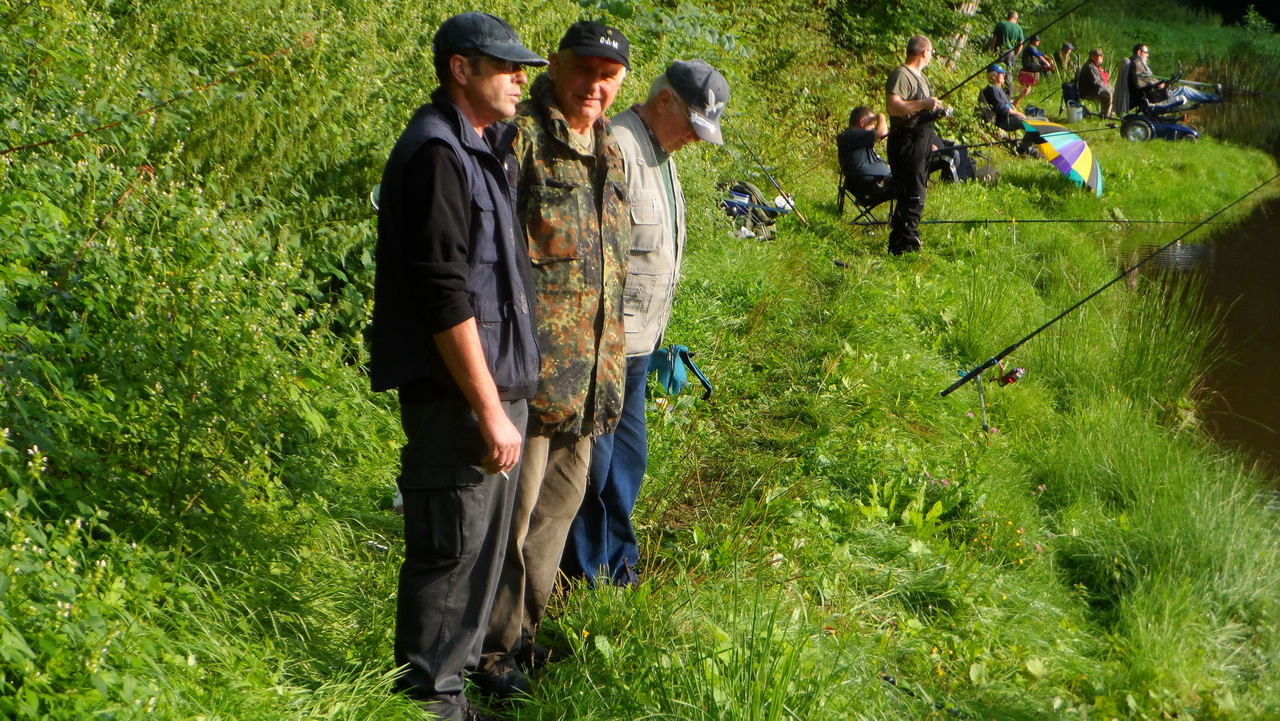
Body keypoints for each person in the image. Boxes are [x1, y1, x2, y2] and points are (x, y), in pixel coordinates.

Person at [370, 12, 545, 721]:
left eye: (522, 67)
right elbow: (444, 296)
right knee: (451, 551)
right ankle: (429, 704)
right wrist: (488, 407)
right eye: (505, 66)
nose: (520, 78)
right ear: (460, 69)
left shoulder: (481, 147)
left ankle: (452, 692)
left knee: (480, 552)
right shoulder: (437, 153)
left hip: (492, 390)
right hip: (458, 399)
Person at [478, 20, 631, 695]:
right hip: (530, 378)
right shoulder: (520, 140)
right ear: (556, 64)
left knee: (554, 519)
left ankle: (520, 638)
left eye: (609, 75)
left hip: (592, 380)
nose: (595, 85)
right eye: (584, 69)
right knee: (510, 526)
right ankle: (486, 655)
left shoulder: (610, 149)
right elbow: (488, 264)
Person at [561, 60, 730, 587]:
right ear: (664, 101)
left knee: (627, 460)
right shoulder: (617, 146)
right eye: (693, 126)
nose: (696, 139)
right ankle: (583, 576)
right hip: (606, 345)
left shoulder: (662, 153)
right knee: (594, 467)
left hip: (639, 344)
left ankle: (618, 565)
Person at [885, 34, 946, 256]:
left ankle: (904, 242)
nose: (931, 56)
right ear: (923, 52)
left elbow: (920, 110)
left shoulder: (922, 78)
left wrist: (936, 110)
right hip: (906, 142)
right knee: (912, 193)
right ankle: (904, 246)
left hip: (922, 140)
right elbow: (893, 107)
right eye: (931, 52)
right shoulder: (901, 75)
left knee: (916, 191)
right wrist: (923, 103)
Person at [1127, 43, 1221, 114]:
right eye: (1146, 52)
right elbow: (1138, 84)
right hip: (1154, 95)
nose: (1147, 55)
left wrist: (1159, 83)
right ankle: (1214, 98)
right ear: (1139, 52)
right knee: (1185, 90)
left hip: (1156, 92)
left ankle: (1212, 97)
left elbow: (1145, 79)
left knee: (1183, 89)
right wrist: (1156, 84)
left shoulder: (1138, 63)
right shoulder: (1136, 63)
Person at [837, 105, 892, 207]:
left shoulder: (861, 141)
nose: (873, 128)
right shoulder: (850, 135)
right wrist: (881, 116)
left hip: (879, 182)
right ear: (862, 122)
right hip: (869, 189)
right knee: (910, 183)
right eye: (871, 124)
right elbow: (882, 133)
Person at [979, 64, 1038, 155]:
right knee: (1032, 125)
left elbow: (1011, 106)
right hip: (1004, 121)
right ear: (993, 76)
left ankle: (1025, 147)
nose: (1004, 75)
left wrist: (1021, 96)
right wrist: (1019, 114)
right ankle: (1023, 149)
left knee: (1044, 120)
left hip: (1011, 117)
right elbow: (1002, 109)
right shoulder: (992, 89)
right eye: (1001, 73)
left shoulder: (999, 89)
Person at [1016, 35, 1054, 106]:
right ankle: (1049, 83)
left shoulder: (1033, 48)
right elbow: (1038, 56)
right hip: (1029, 65)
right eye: (1037, 41)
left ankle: (1047, 79)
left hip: (1033, 65)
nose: (1039, 42)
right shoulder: (1030, 48)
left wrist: (1048, 58)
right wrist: (1048, 64)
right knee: (1046, 68)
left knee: (1027, 88)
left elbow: (1041, 53)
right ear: (1033, 41)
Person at [1077, 48, 1114, 118]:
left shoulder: (1095, 66)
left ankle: (1111, 113)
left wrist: (1108, 87)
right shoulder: (1089, 67)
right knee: (1107, 94)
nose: (1101, 57)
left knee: (1112, 90)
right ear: (1092, 56)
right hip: (1088, 92)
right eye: (1099, 56)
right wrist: (1106, 87)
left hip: (1095, 89)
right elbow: (1096, 82)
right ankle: (1104, 116)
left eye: (1101, 56)